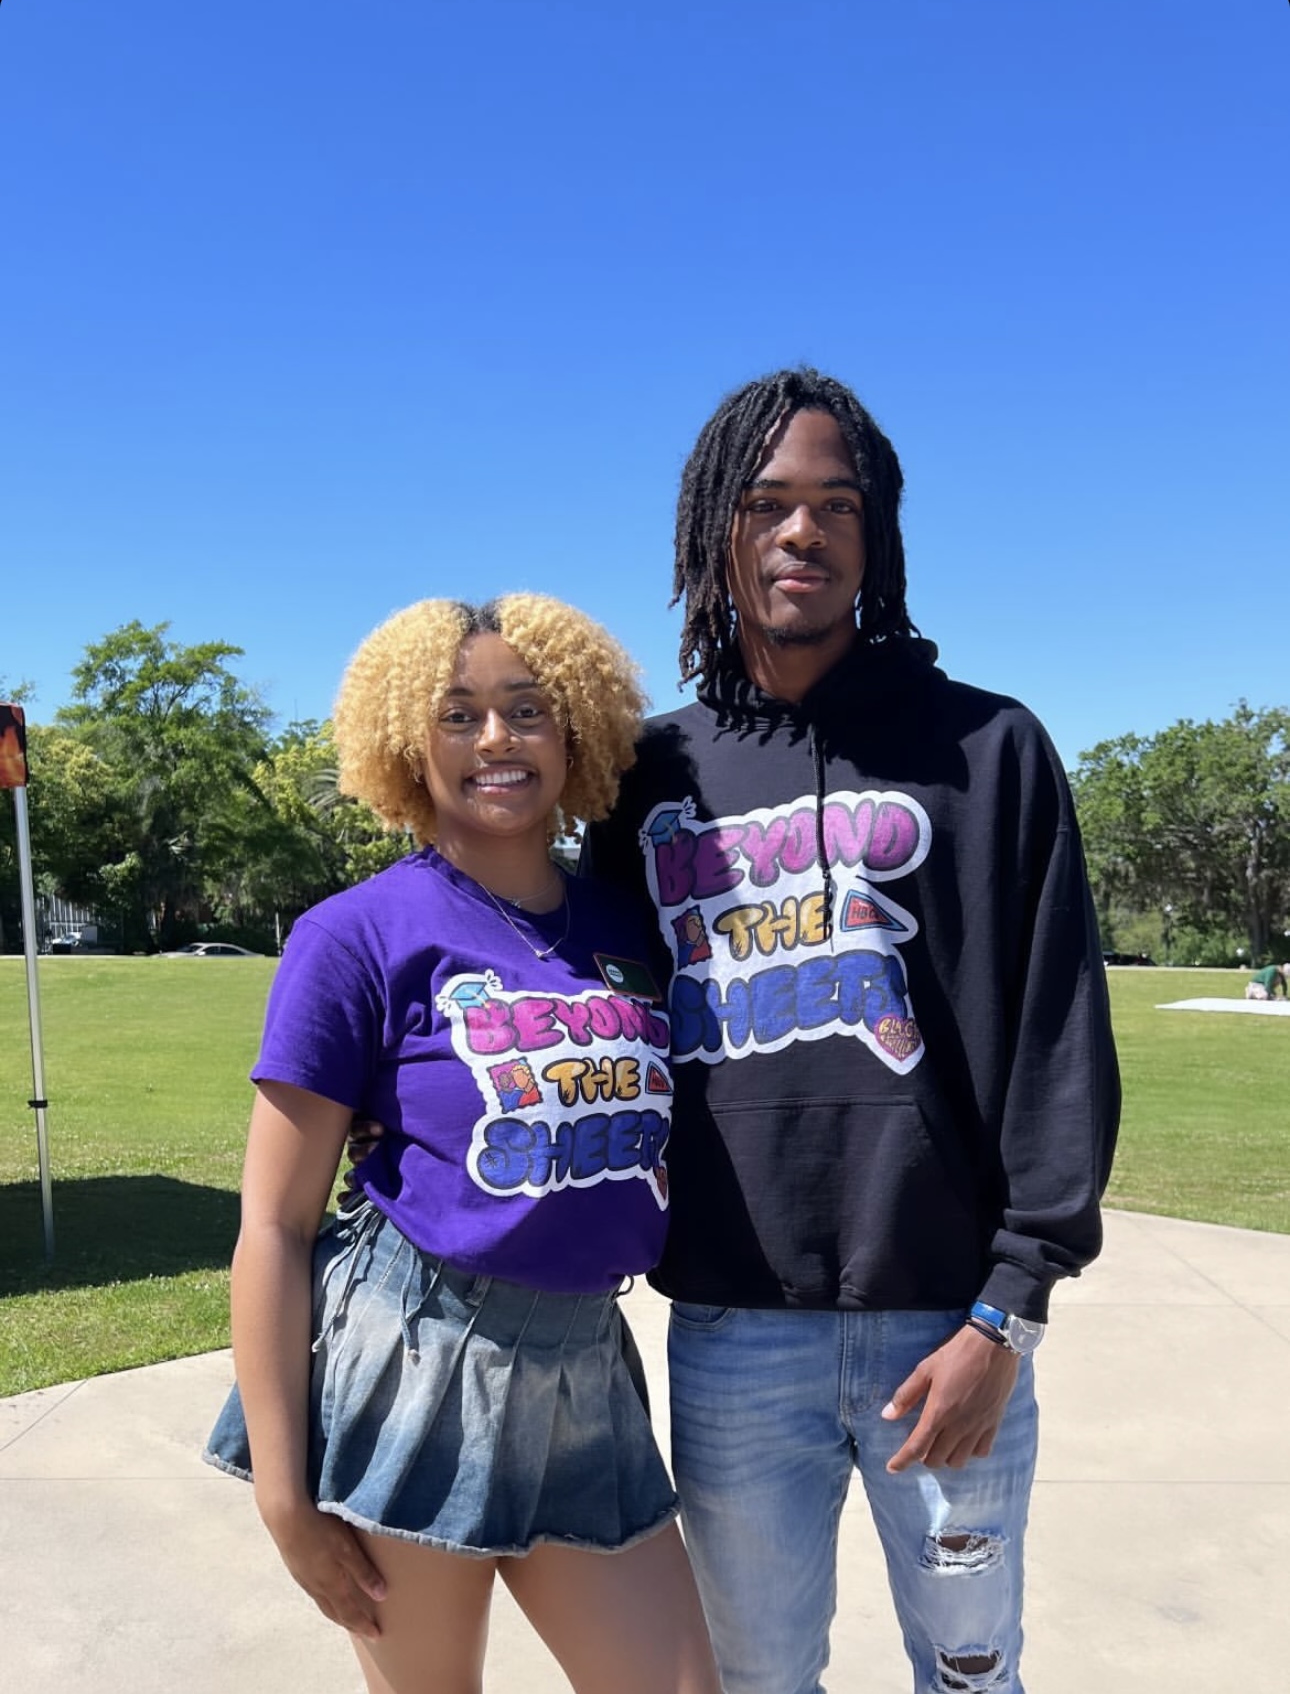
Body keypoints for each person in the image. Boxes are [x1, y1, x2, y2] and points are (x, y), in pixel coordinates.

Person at [582, 368, 1122, 1694]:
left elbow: (1057, 1032)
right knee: (757, 1678)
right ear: (714, 530)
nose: (801, 532)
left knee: (970, 1672)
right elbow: (587, 1014)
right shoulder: (647, 775)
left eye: (836, 504)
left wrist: (1007, 1314)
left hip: (948, 1322)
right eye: (766, 503)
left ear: (876, 533)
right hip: (731, 1325)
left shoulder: (989, 748)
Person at [205, 594, 720, 1694]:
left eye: (527, 708)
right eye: (458, 713)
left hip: (586, 1365)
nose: (497, 738)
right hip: (418, 1356)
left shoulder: (628, 924)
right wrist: (283, 1498)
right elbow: (274, 1224)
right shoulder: (354, 936)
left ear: (575, 730)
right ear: (409, 743)